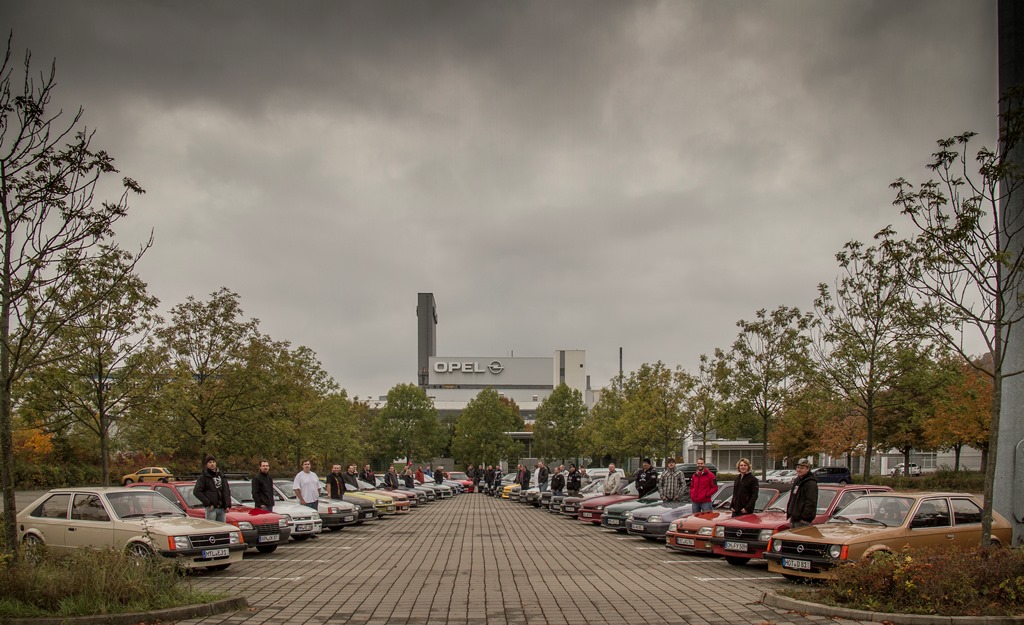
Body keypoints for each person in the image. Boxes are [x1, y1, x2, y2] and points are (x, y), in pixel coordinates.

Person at [194, 455, 230, 522]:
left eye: (213, 462)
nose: (212, 464)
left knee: (222, 529)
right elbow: (197, 491)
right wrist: (208, 503)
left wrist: (227, 504)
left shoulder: (222, 475)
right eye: (210, 462)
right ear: (206, 464)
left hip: (222, 508)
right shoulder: (203, 477)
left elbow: (226, 491)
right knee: (212, 528)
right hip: (212, 508)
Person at [786, 458, 819, 528]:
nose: (799, 470)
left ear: (807, 469)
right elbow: (792, 498)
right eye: (798, 467)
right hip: (794, 518)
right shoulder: (797, 481)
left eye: (802, 468)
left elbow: (811, 502)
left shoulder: (811, 483)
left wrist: (804, 517)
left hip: (802, 521)